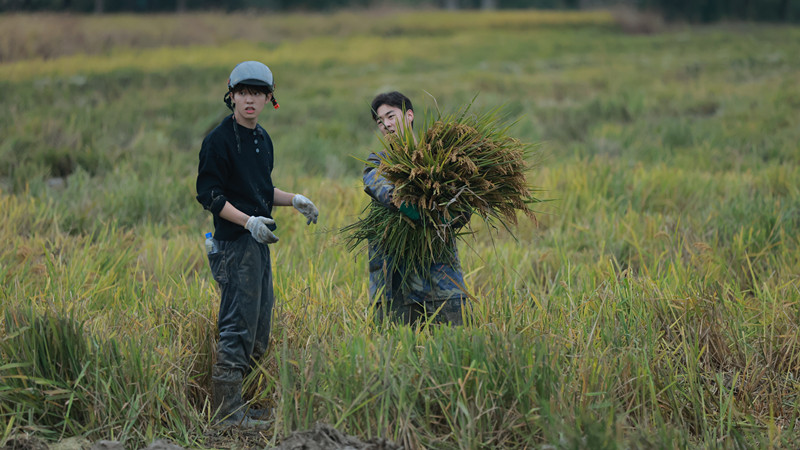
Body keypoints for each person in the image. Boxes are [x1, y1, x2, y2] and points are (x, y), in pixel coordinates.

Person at [196, 60, 319, 427]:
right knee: (237, 326)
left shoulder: (262, 139)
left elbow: (261, 191)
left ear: (269, 99)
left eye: (258, 94)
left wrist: (294, 199)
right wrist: (248, 221)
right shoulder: (218, 140)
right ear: (231, 96)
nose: (249, 100)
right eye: (243, 93)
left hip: (258, 244)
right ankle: (226, 412)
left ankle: (240, 404)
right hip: (234, 245)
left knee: (259, 327)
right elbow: (210, 196)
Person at [364, 91, 469, 326]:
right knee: (395, 354)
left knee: (455, 349)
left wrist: (446, 215)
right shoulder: (378, 162)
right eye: (380, 122)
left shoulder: (441, 158)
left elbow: (463, 208)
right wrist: (410, 206)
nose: (386, 125)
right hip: (394, 281)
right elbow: (379, 186)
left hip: (440, 279)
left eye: (390, 116)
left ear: (409, 115)